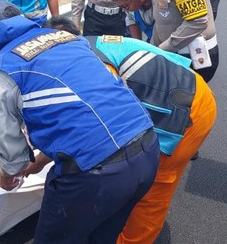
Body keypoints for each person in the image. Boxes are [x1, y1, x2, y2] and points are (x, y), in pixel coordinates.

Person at [0, 1, 160, 243]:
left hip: (95, 173)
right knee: (103, 236)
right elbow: (85, 111)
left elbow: (13, 159)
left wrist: (6, 175)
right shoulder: (64, 37)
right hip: (147, 146)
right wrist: (40, 161)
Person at [45, 16, 217, 244]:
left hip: (187, 111)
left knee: (155, 187)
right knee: (135, 174)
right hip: (182, 92)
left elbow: (105, 125)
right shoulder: (90, 44)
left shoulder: (92, 65)